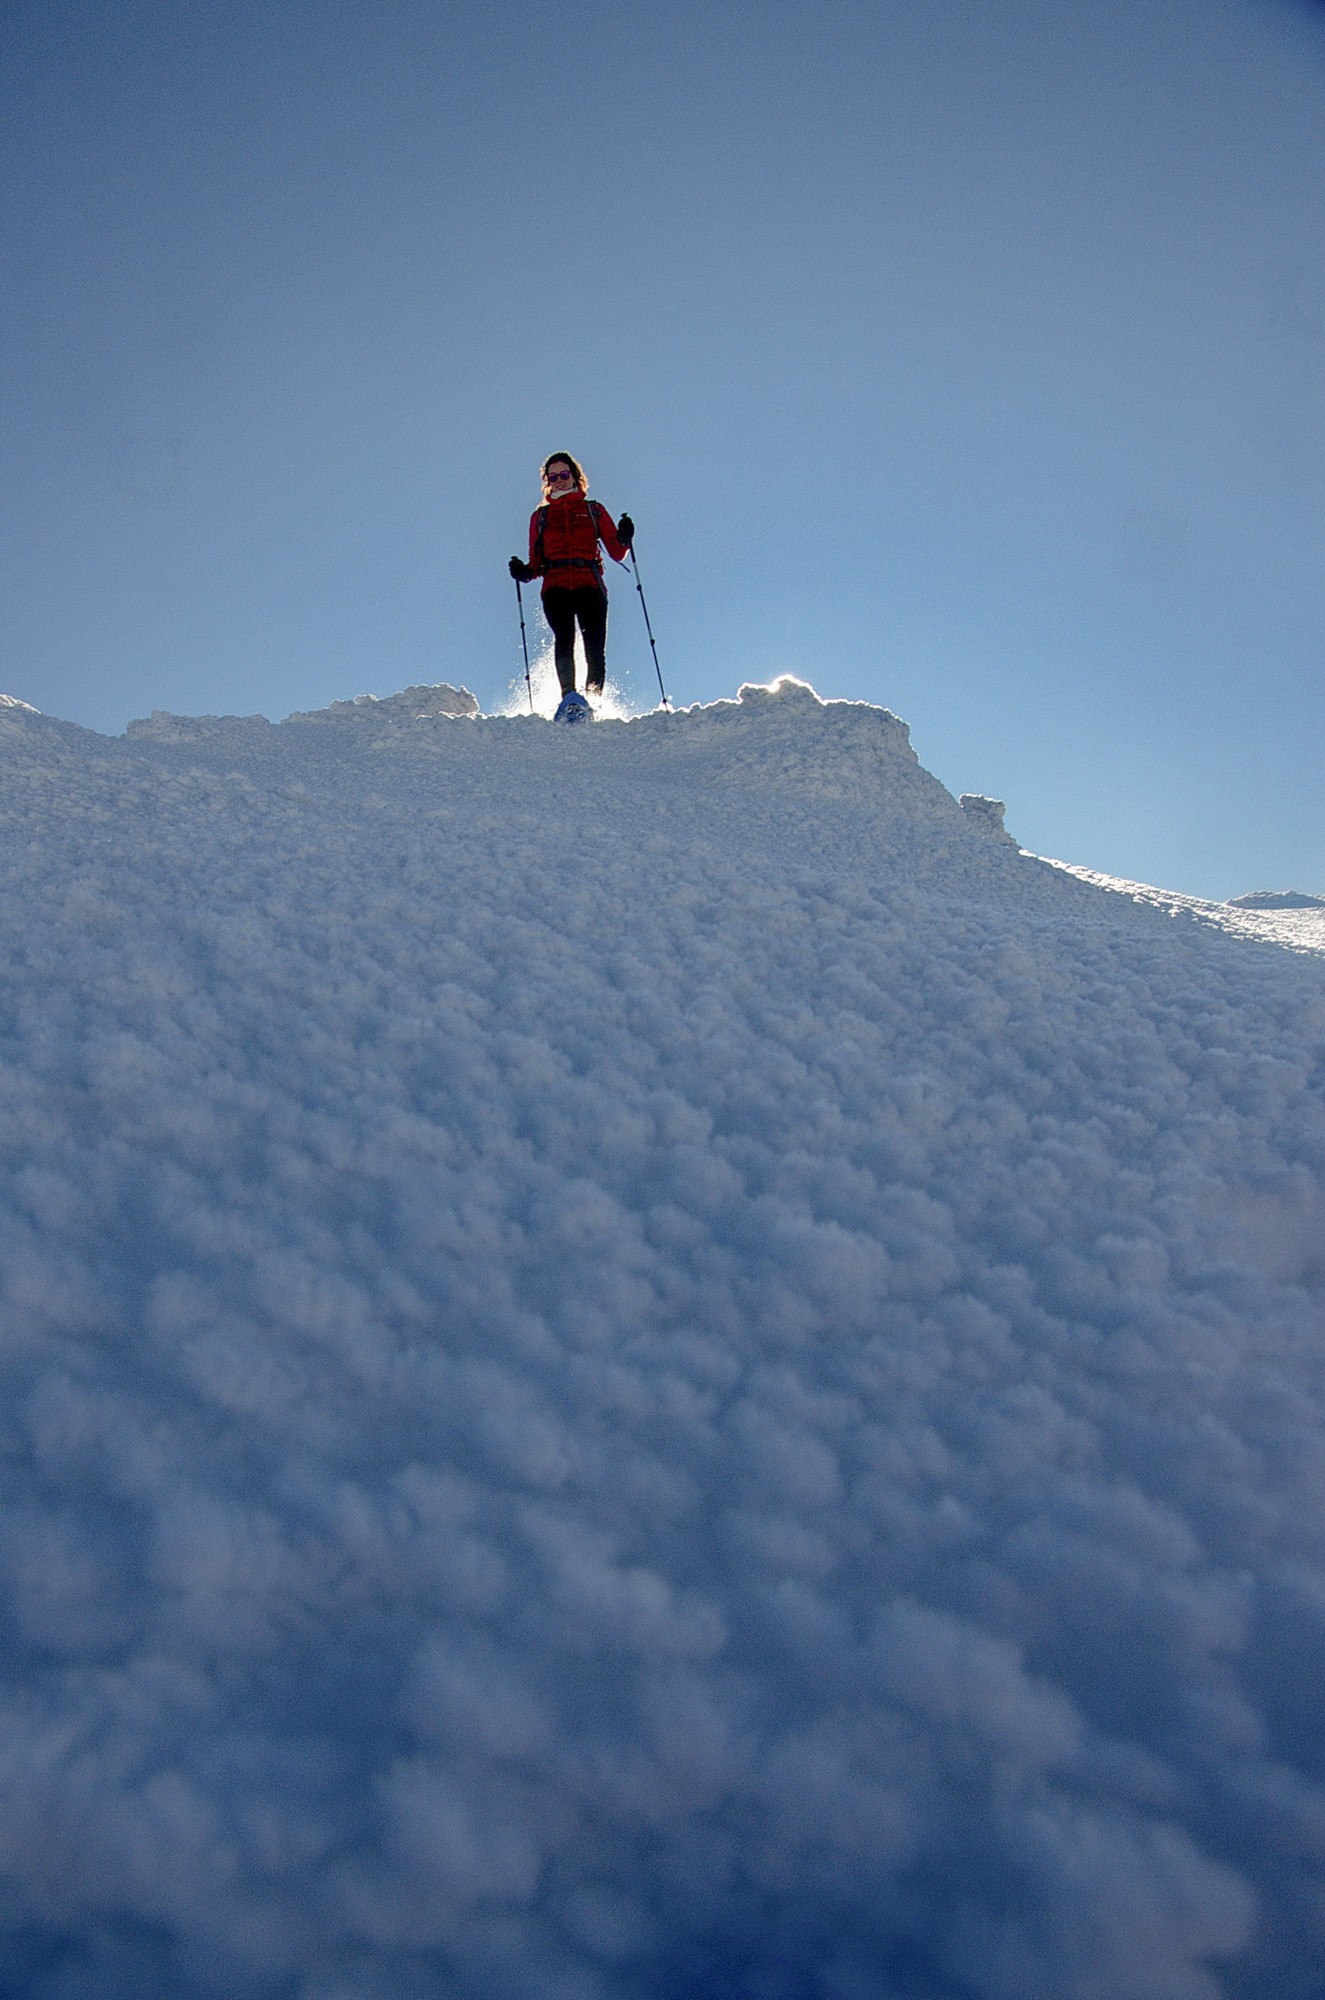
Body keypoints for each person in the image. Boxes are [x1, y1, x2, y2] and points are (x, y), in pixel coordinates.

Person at [509, 454, 634, 698]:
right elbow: (536, 563)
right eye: (553, 477)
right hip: (555, 586)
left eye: (564, 474)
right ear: (547, 481)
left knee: (594, 647)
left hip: (590, 584)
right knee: (564, 638)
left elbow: (617, 552)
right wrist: (523, 572)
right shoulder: (540, 517)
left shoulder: (593, 510)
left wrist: (624, 537)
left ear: (575, 476)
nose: (559, 481)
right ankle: (570, 698)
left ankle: (593, 700)